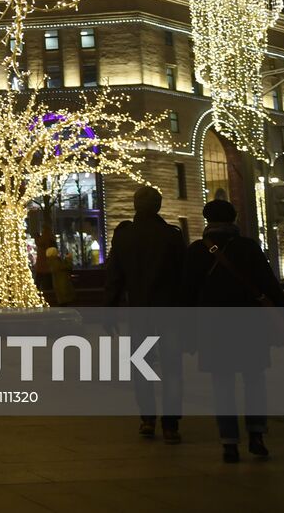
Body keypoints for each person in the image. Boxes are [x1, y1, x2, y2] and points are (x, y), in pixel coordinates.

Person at [183, 199, 284, 463]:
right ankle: (257, 435)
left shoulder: (197, 251)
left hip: (213, 329)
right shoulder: (248, 247)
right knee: (254, 381)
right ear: (233, 219)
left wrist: (187, 333)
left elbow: (187, 294)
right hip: (249, 326)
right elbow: (269, 285)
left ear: (207, 220)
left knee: (222, 385)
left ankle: (229, 442)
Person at [105, 185, 187, 443]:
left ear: (135, 206)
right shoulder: (171, 236)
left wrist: (109, 311)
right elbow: (184, 278)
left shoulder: (124, 236)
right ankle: (171, 424)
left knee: (142, 367)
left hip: (139, 312)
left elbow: (114, 277)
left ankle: (147, 420)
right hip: (169, 312)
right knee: (172, 368)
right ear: (159, 206)